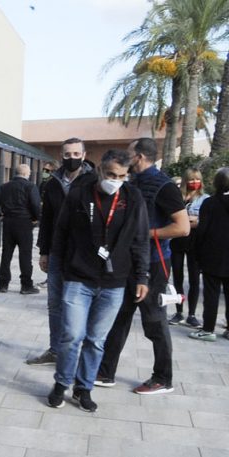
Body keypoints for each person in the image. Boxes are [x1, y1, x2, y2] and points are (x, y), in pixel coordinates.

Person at [46, 149, 150, 412]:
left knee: (96, 339)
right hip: (78, 278)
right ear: (101, 170)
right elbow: (61, 231)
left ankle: (84, 388)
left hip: (114, 283)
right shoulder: (80, 193)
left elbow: (140, 240)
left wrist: (141, 277)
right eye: (111, 174)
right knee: (71, 336)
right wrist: (55, 266)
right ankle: (61, 383)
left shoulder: (132, 197)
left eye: (122, 176)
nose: (115, 180)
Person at [96, 137, 189, 395]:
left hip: (154, 265)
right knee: (119, 317)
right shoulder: (131, 182)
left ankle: (163, 378)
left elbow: (182, 228)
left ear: (138, 156)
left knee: (154, 321)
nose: (125, 158)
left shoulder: (165, 186)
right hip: (129, 264)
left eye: (129, 153)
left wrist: (144, 234)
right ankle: (105, 371)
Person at [26, 138, 95, 365]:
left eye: (76, 154)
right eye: (67, 154)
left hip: (83, 254)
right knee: (54, 303)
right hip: (57, 251)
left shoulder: (94, 181)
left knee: (77, 304)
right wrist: (44, 251)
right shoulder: (53, 183)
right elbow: (47, 220)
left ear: (84, 155)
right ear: (61, 155)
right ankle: (55, 351)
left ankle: (75, 353)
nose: (72, 158)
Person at [0, 163, 42, 294]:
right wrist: (36, 218)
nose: (29, 175)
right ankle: (26, 285)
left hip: (8, 222)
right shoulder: (30, 186)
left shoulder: (4, 187)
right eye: (29, 173)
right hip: (24, 223)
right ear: (25, 174)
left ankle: (3, 284)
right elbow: (35, 205)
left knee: (6, 254)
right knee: (25, 255)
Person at [190, 167, 229, 341]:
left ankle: (208, 329)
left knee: (211, 294)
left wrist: (197, 254)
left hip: (212, 255)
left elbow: (202, 231)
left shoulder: (210, 203)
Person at [169, 168, 206, 327]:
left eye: (197, 179)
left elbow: (203, 221)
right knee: (177, 277)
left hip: (195, 244)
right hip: (178, 241)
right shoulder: (177, 197)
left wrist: (188, 220)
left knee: (193, 279)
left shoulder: (205, 199)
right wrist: (191, 220)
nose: (194, 182)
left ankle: (191, 314)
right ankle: (179, 311)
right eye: (191, 179)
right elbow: (171, 219)